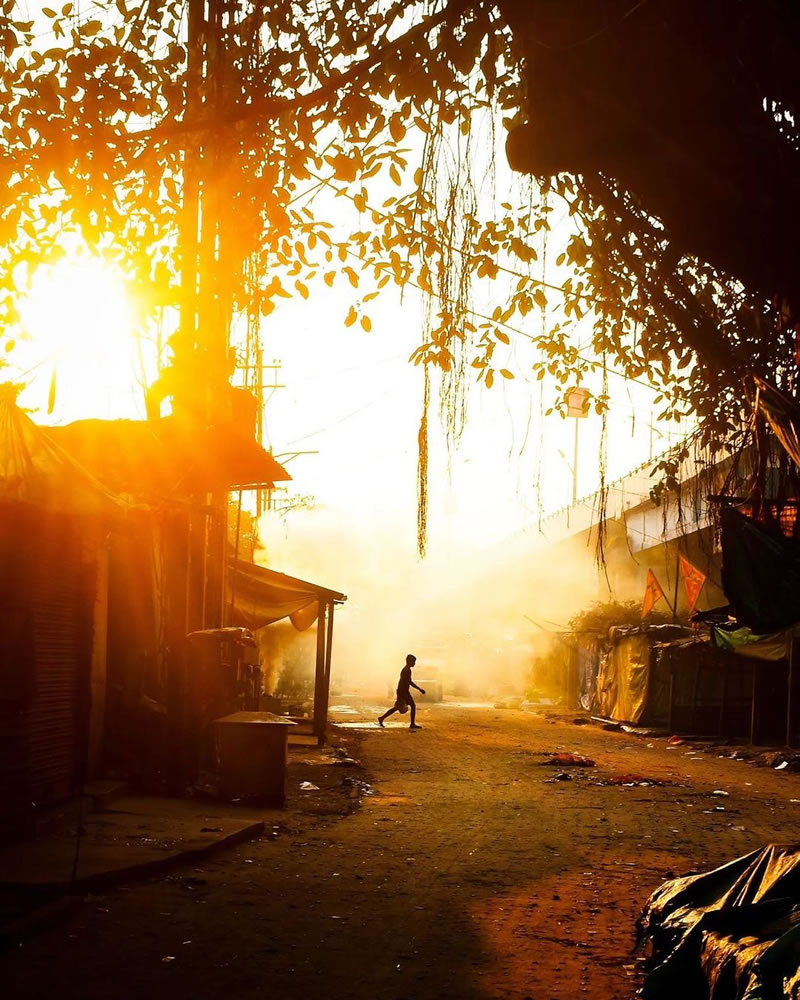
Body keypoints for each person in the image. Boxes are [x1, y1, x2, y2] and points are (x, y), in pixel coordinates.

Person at [377, 654, 426, 730]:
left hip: (402, 691)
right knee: (412, 706)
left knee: (397, 707)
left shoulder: (406, 669)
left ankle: (382, 718)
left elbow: (408, 682)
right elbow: (408, 682)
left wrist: (418, 689)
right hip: (403, 692)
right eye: (413, 662)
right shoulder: (407, 670)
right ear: (410, 661)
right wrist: (419, 689)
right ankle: (412, 724)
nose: (414, 663)